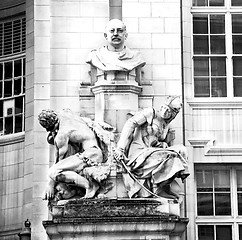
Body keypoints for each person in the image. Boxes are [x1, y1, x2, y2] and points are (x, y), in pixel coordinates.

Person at [113, 96, 189, 200]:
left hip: (151, 153)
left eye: (170, 110)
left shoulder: (167, 127)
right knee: (168, 157)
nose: (166, 111)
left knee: (179, 152)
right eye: (166, 108)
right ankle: (157, 188)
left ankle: (158, 188)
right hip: (138, 153)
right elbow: (130, 123)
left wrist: (163, 145)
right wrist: (120, 148)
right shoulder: (150, 113)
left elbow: (159, 142)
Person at [38, 109, 113, 200]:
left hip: (90, 155)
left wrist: (50, 185)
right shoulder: (66, 114)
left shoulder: (62, 135)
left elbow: (59, 162)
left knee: (53, 172)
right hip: (94, 152)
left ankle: (89, 186)